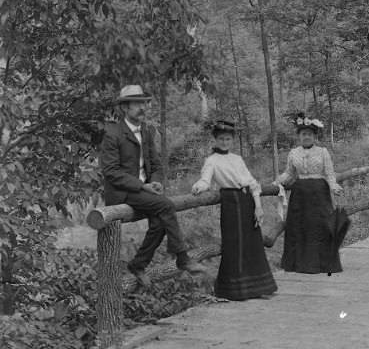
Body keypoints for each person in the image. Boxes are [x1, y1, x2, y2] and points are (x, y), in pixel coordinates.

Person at [101, 84, 205, 287]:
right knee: (166, 206)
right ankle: (182, 258)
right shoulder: (112, 134)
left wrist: (156, 182)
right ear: (124, 108)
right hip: (124, 192)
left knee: (159, 224)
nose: (142, 107)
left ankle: (138, 264)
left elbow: (156, 164)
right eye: (136, 103)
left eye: (143, 103)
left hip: (144, 192)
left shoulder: (147, 132)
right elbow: (111, 172)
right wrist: (142, 187)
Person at [191, 120, 277, 300]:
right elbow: (206, 180)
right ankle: (235, 290)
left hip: (248, 202)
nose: (224, 142)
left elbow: (252, 183)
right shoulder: (211, 161)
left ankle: (257, 287)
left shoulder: (237, 159)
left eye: (228, 139)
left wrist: (258, 207)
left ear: (232, 140)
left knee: (253, 245)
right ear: (215, 140)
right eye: (221, 139)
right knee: (234, 245)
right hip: (231, 204)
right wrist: (198, 187)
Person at [273, 113, 347, 275]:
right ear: (299, 136)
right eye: (303, 134)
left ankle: (322, 264)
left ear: (315, 136)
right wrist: (276, 182)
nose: (306, 137)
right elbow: (289, 175)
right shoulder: (293, 153)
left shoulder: (322, 152)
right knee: (301, 228)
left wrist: (334, 187)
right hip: (300, 196)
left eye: (310, 134)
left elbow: (329, 174)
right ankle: (300, 264)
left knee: (321, 226)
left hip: (320, 194)